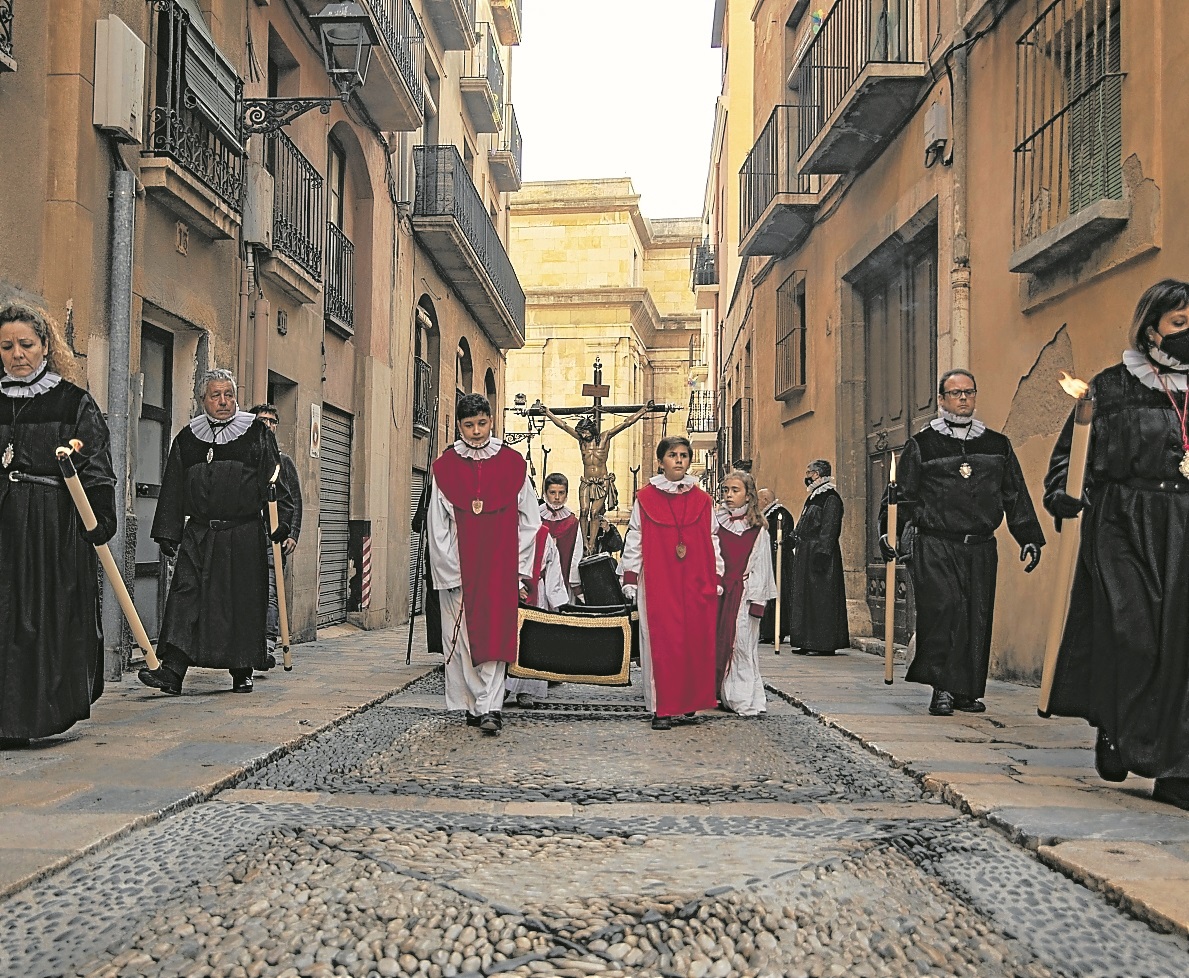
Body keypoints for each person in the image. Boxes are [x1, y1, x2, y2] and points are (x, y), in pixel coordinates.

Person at [1044, 279, 1189, 809]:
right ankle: (1114, 726)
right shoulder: (1109, 387)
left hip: (1184, 525)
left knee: (1181, 647)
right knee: (1132, 634)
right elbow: (1070, 456)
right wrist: (1063, 493)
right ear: (1153, 328)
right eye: (1180, 324)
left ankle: (1176, 769)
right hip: (1122, 523)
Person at [881, 369, 1044, 716]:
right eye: (955, 393)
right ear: (941, 399)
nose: (963, 398)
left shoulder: (997, 445)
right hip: (936, 544)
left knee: (976, 616)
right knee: (944, 611)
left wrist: (1028, 536)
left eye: (969, 392)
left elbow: (1014, 493)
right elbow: (901, 496)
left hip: (981, 545)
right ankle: (942, 688)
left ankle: (967, 691)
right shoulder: (921, 445)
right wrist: (889, 533)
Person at [0, 304, 116, 747]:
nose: (17, 354)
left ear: (46, 346)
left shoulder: (71, 402)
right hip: (3, 524)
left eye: (26, 345)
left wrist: (101, 515)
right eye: (7, 346)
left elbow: (95, 464)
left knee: (40, 616)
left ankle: (35, 716)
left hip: (50, 525)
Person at [138, 369, 289, 696]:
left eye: (229, 395)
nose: (223, 402)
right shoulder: (188, 438)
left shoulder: (257, 434)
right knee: (184, 598)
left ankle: (242, 670)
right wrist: (169, 532)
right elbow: (174, 484)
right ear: (202, 399)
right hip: (200, 534)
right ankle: (172, 673)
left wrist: (281, 523)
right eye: (215, 395)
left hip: (243, 534)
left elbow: (276, 480)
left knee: (241, 603)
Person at [427, 394, 540, 735]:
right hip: (460, 568)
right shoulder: (445, 468)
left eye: (481, 424)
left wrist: (520, 569)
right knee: (461, 639)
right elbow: (437, 524)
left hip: (499, 566)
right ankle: (472, 704)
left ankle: (491, 707)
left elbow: (530, 521)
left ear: (491, 421)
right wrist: (450, 570)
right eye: (468, 425)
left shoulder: (513, 464)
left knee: (494, 635)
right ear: (459, 426)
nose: (475, 432)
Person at [619, 435, 723, 730]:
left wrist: (716, 575)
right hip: (657, 579)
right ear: (661, 461)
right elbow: (635, 537)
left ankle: (687, 701)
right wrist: (630, 576)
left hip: (694, 578)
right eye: (673, 455)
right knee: (661, 643)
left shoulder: (703, 500)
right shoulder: (645, 498)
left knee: (691, 641)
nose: (679, 460)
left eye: (684, 455)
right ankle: (661, 708)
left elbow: (713, 538)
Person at [543, 403, 652, 552]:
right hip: (586, 482)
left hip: (601, 482)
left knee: (594, 513)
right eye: (581, 433)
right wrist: (548, 413)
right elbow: (563, 425)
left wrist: (643, 410)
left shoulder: (605, 437)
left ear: (591, 430)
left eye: (585, 432)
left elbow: (626, 423)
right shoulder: (581, 441)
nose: (583, 435)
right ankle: (583, 543)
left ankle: (592, 544)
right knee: (584, 510)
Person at [714, 471, 776, 715]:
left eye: (735, 490)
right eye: (726, 490)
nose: (729, 495)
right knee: (716, 643)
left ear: (748, 495)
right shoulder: (716, 523)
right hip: (717, 592)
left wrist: (758, 602)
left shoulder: (758, 531)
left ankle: (740, 697)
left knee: (740, 645)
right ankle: (716, 691)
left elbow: (761, 568)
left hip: (742, 595)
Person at [249, 403, 302, 670]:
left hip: (273, 537)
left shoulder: (284, 462)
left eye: (271, 421)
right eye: (262, 420)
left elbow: (294, 499)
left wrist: (292, 533)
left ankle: (268, 645)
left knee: (271, 590)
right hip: (248, 535)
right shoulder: (246, 457)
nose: (267, 425)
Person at [787, 461, 850, 656]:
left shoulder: (830, 498)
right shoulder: (814, 497)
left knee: (821, 599)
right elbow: (803, 523)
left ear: (817, 474)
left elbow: (829, 528)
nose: (806, 476)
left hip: (820, 555)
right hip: (806, 554)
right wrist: (791, 539)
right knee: (806, 598)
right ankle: (806, 640)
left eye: (809, 472)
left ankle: (822, 643)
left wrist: (823, 553)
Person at [504, 521, 569, 709]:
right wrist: (515, 584)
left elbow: (552, 564)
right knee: (510, 639)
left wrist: (556, 599)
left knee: (533, 641)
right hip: (508, 593)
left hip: (537, 593)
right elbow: (499, 556)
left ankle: (527, 690)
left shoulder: (543, 535)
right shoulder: (506, 528)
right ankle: (504, 686)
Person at [757, 487, 794, 646]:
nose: (756, 503)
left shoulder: (781, 515)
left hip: (779, 562)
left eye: (758, 499)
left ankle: (778, 631)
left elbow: (784, 538)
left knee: (778, 595)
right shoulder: (765, 516)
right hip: (766, 561)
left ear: (765, 500)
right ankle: (766, 631)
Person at [540, 472, 584, 602]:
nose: (557, 497)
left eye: (561, 493)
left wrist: (574, 582)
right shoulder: (535, 518)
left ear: (566, 494)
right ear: (545, 493)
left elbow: (577, 553)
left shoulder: (572, 522)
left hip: (564, 578)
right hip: (538, 579)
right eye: (552, 493)